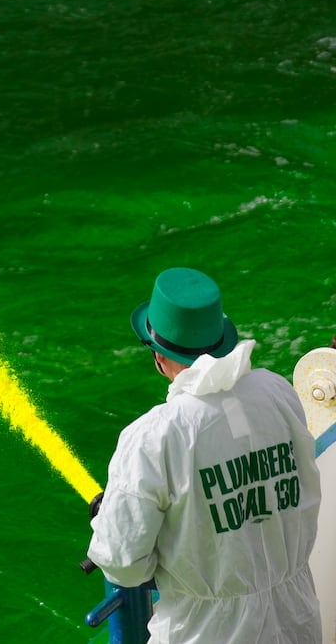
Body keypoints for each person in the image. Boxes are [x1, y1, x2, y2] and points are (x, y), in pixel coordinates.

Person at [88, 267, 322, 644]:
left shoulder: (154, 437)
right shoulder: (278, 393)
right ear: (222, 339)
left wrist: (108, 521)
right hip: (297, 621)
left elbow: (123, 564)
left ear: (159, 358)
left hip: (205, 633)